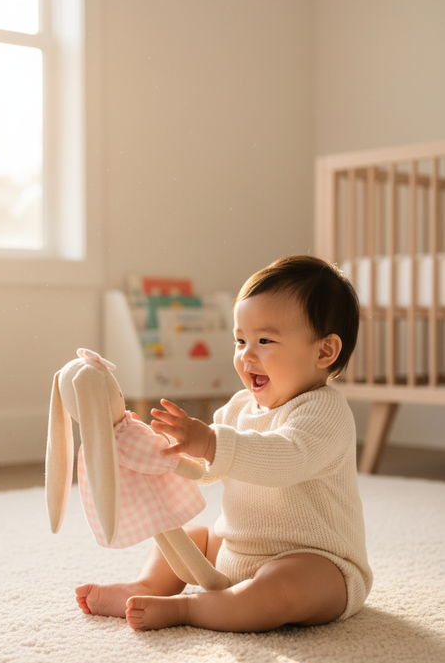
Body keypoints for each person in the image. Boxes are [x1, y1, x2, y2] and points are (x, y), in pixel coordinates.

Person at [76, 255, 373, 632]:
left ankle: (188, 610)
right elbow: (204, 472)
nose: (246, 355)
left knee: (281, 590)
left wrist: (212, 443)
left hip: (317, 563)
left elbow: (285, 459)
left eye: (265, 340)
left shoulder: (325, 413)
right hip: (236, 552)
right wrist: (162, 449)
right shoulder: (238, 407)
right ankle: (148, 585)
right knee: (191, 536)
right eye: (240, 340)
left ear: (324, 351)